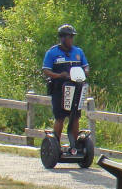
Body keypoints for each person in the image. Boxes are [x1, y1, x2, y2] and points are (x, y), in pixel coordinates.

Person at [42, 24, 89, 154]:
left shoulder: (78, 52)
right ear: (62, 38)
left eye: (72, 37)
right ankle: (55, 145)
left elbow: (86, 66)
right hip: (59, 89)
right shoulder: (52, 53)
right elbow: (46, 70)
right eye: (70, 37)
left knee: (75, 117)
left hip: (76, 88)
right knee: (60, 117)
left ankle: (75, 145)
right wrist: (59, 75)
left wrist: (85, 72)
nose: (71, 40)